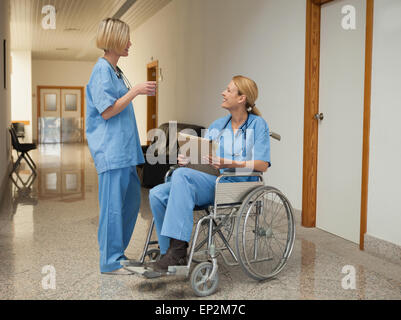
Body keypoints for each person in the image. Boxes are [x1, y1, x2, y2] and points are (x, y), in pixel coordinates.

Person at [148, 75, 270, 272]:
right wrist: (189, 159)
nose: (223, 92)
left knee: (181, 177)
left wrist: (227, 162)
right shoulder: (217, 125)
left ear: (241, 98)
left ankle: (178, 252)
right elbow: (205, 157)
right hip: (211, 181)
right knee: (156, 194)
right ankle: (168, 252)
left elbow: (262, 164)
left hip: (234, 185)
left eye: (229, 90)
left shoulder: (258, 125)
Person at [86, 18, 157, 275]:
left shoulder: (115, 71)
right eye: (126, 38)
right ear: (114, 40)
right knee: (112, 208)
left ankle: (118, 253)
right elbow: (106, 112)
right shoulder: (101, 70)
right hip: (111, 151)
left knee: (129, 203)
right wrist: (136, 90)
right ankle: (110, 261)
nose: (130, 43)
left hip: (125, 151)